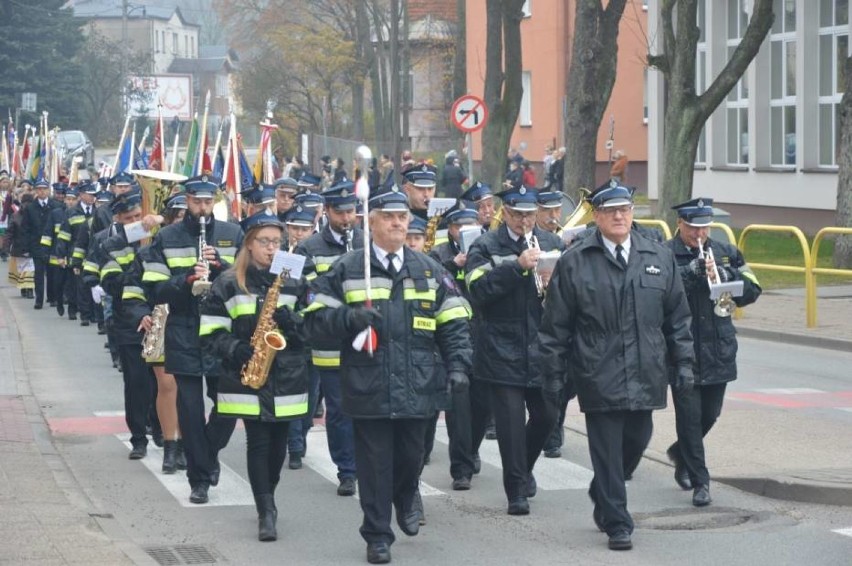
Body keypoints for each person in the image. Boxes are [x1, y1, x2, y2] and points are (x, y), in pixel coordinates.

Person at [303, 184, 472, 565]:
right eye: (389, 218)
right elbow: (312, 322)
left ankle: (406, 492)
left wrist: (459, 365)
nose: (398, 224)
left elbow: (454, 322)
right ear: (372, 223)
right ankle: (377, 534)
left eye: (402, 218)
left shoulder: (428, 270)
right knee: (375, 465)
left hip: (419, 384)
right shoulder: (346, 269)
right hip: (369, 385)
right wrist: (348, 318)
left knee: (413, 457)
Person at [538, 183, 694, 551]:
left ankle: (602, 490)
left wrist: (684, 363)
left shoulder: (656, 255)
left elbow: (677, 318)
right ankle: (617, 522)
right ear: (597, 216)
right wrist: (553, 375)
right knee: (606, 450)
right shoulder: (575, 261)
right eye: (611, 211)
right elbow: (556, 325)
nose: (620, 216)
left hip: (646, 370)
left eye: (625, 209)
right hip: (597, 371)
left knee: (637, 439)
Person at [200, 212, 310, 541]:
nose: (272, 248)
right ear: (249, 244)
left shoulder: (295, 281)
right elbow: (209, 332)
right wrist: (233, 348)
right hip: (246, 377)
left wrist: (293, 323)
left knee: (278, 447)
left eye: (278, 242)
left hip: (287, 376)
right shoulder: (229, 282)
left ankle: (268, 494)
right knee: (258, 442)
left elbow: (314, 330)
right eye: (265, 242)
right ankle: (266, 509)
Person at [141, 175, 243, 505]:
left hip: (221, 329)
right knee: (189, 408)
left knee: (228, 402)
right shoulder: (167, 237)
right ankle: (199, 478)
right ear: (186, 200)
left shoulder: (232, 233)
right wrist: (186, 280)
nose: (202, 208)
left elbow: (248, 279)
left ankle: (208, 454)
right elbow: (154, 288)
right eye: (196, 201)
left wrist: (223, 266)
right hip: (183, 327)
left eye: (207, 201)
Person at [465, 186, 563, 516]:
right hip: (500, 347)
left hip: (540, 348)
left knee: (548, 416)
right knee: (508, 426)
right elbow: (477, 291)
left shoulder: (551, 243)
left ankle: (524, 467)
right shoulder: (485, 245)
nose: (524, 221)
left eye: (529, 214)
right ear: (504, 213)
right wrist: (517, 267)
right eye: (518, 214)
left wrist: (554, 286)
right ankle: (516, 491)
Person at [665, 198, 762, 506]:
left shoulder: (726, 252)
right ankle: (701, 482)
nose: (699, 234)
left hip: (718, 347)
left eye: (704, 227)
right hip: (682, 349)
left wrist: (727, 279)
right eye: (693, 228)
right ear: (680, 224)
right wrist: (693, 273)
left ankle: (681, 453)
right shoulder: (665, 254)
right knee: (690, 418)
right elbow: (661, 292)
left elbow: (753, 289)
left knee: (711, 414)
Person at [291, 180, 361, 489]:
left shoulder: (365, 241)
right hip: (330, 342)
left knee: (366, 407)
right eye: (341, 213)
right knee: (338, 408)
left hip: (365, 340)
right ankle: (347, 470)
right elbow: (307, 294)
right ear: (327, 212)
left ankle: (365, 462)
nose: (347, 219)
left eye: (351, 212)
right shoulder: (310, 248)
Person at [98, 192, 160, 459]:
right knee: (136, 382)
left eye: (139, 216)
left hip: (159, 318)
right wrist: (138, 274)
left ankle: (160, 428)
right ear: (119, 220)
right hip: (128, 321)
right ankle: (138, 438)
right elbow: (111, 283)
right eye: (130, 219)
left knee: (160, 382)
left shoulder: (160, 238)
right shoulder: (112, 245)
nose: (137, 222)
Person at [428, 201, 481, 489]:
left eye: (469, 226)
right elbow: (432, 277)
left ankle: (471, 449)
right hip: (451, 340)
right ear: (450, 228)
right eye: (459, 226)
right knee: (457, 407)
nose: (464, 231)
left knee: (482, 406)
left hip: (480, 336)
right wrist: (453, 264)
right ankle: (461, 469)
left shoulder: (483, 249)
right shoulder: (440, 253)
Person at [143, 193, 188, 474]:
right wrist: (140, 313)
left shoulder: (205, 243)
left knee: (187, 388)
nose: (185, 221)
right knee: (167, 385)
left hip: (192, 319)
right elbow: (137, 286)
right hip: (161, 316)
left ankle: (185, 443)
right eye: (179, 216)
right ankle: (170, 446)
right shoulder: (156, 245)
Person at [22, 179, 60, 309]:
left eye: (44, 189)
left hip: (53, 245)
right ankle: (39, 299)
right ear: (35, 191)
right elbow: (25, 228)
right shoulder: (30, 207)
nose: (42, 191)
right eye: (39, 189)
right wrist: (26, 247)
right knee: (38, 274)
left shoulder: (55, 205)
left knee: (52, 272)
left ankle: (52, 297)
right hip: (37, 245)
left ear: (48, 191)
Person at [6, 192, 35, 297]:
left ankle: (30, 289)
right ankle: (24, 288)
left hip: (32, 247)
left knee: (30, 269)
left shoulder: (35, 216)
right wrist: (6, 247)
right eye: (25, 203)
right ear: (21, 204)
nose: (27, 206)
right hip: (19, 247)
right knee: (23, 269)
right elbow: (9, 233)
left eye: (29, 203)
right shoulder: (15, 216)